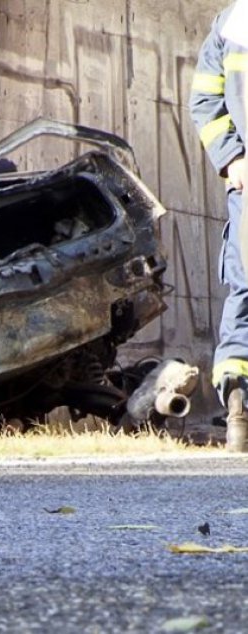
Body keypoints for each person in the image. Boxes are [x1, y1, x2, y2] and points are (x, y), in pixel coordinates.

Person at [190, 1, 248, 450]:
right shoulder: (234, 23)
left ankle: (239, 406)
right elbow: (206, 98)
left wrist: (233, 158)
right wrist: (232, 157)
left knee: (246, 293)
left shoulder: (235, 22)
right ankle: (239, 408)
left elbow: (205, 99)